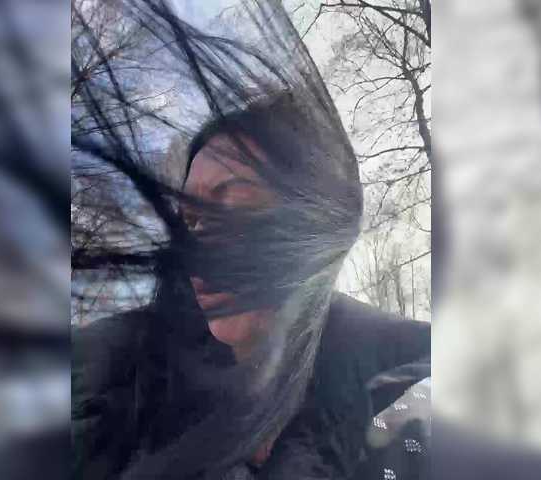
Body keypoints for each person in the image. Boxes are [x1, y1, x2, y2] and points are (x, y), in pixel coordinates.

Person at [72, 92, 430, 479]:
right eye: (189, 220)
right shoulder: (124, 386)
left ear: (314, 221)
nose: (197, 241)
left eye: (231, 204)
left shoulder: (408, 399)